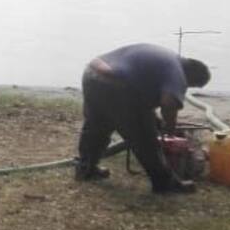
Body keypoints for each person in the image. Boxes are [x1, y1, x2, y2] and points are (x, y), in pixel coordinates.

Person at [75, 43, 211, 194]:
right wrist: (170, 128)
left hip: (93, 73)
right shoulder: (177, 72)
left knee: (97, 125)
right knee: (145, 138)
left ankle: (86, 169)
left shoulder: (167, 58)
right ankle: (165, 184)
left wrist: (156, 121)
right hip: (115, 84)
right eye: (191, 85)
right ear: (191, 76)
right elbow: (169, 103)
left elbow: (142, 92)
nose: (186, 87)